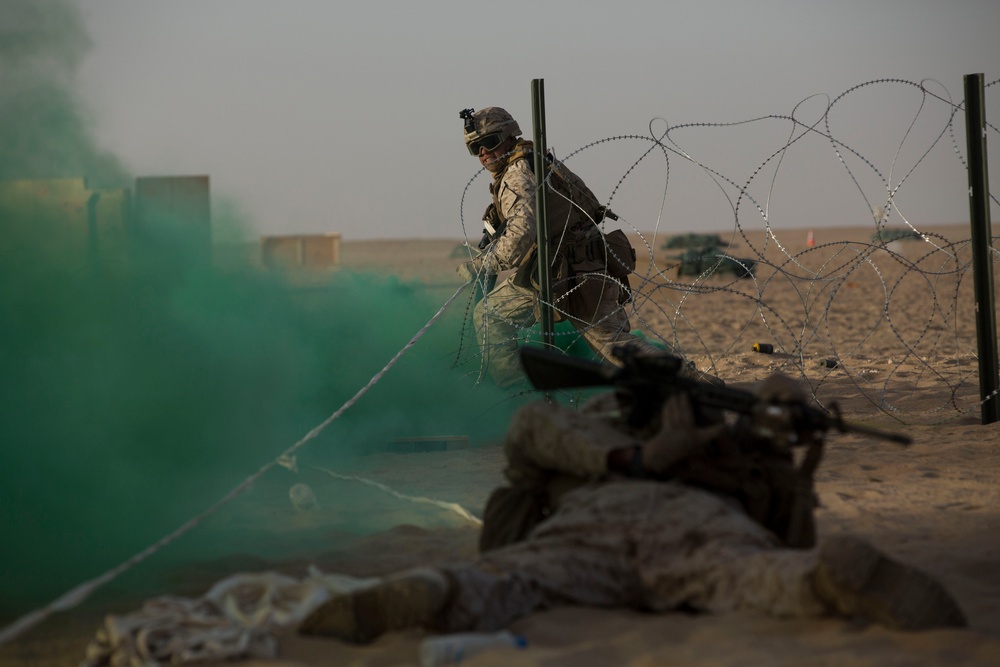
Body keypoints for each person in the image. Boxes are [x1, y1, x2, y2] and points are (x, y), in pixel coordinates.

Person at [298, 367, 967, 643]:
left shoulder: (593, 426)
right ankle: (827, 577)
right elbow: (772, 419)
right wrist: (671, 450)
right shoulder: (694, 438)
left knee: (507, 581)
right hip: (693, 522)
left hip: (589, 525)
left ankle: (433, 590)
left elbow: (529, 434)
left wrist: (665, 451)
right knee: (751, 575)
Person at [456, 106, 670, 388]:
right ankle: (684, 379)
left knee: (490, 316)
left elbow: (520, 237)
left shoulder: (517, 176)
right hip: (586, 262)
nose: (484, 153)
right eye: (475, 148)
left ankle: (520, 397)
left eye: (490, 142)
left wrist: (482, 265)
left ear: (509, 138)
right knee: (615, 345)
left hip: (564, 269)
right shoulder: (538, 160)